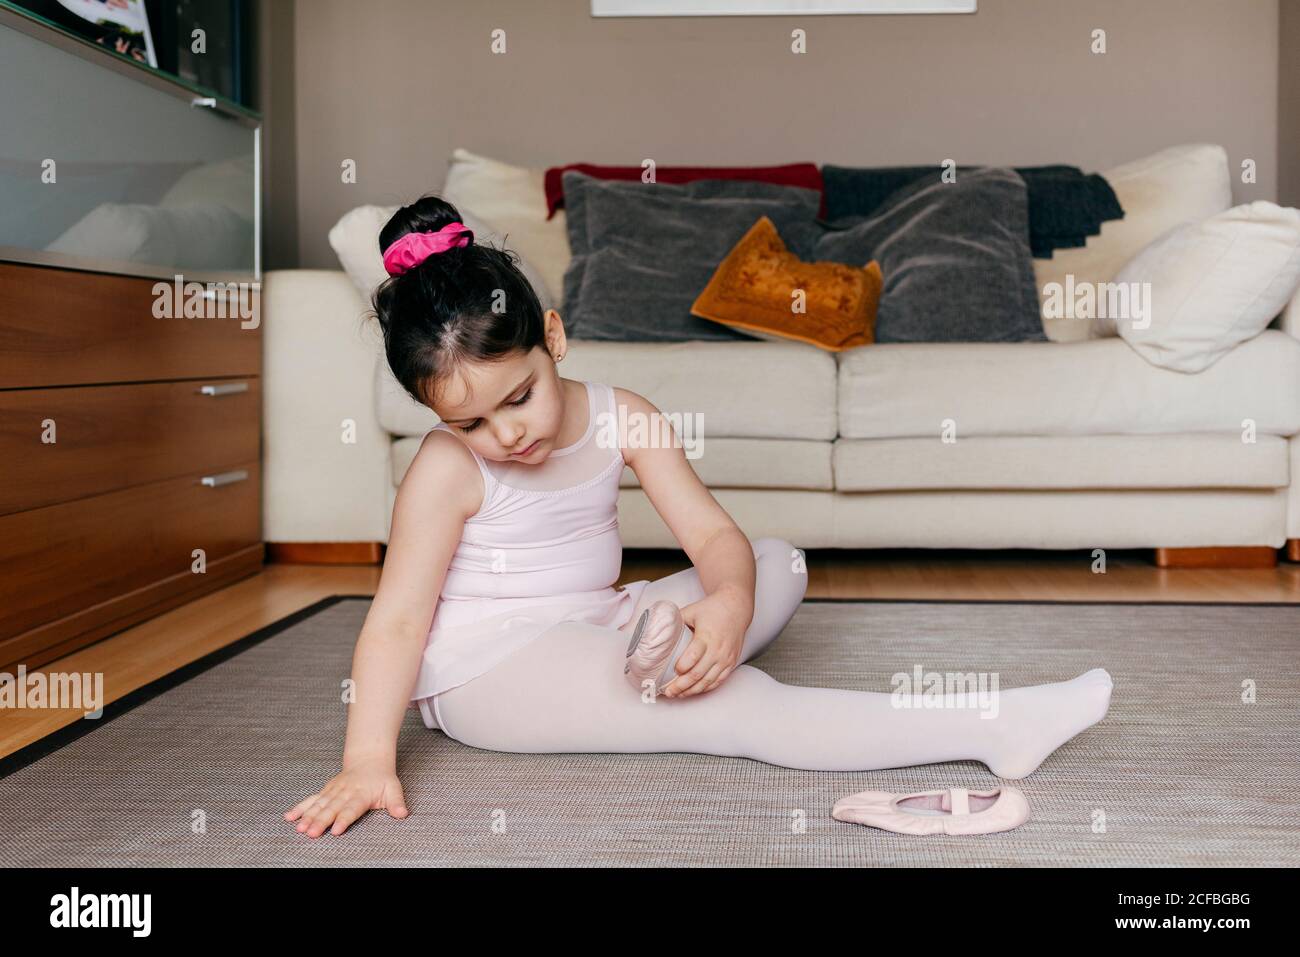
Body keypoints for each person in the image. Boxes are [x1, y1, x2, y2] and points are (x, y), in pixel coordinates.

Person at [285, 196, 1112, 839]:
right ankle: (995, 721)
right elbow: (395, 625)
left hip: (595, 620)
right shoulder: (445, 469)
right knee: (741, 703)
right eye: (471, 423)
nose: (507, 435)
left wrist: (726, 603)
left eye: (520, 397)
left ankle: (664, 654)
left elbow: (715, 536)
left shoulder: (625, 416)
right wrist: (366, 760)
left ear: (555, 339)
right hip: (492, 669)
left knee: (774, 560)